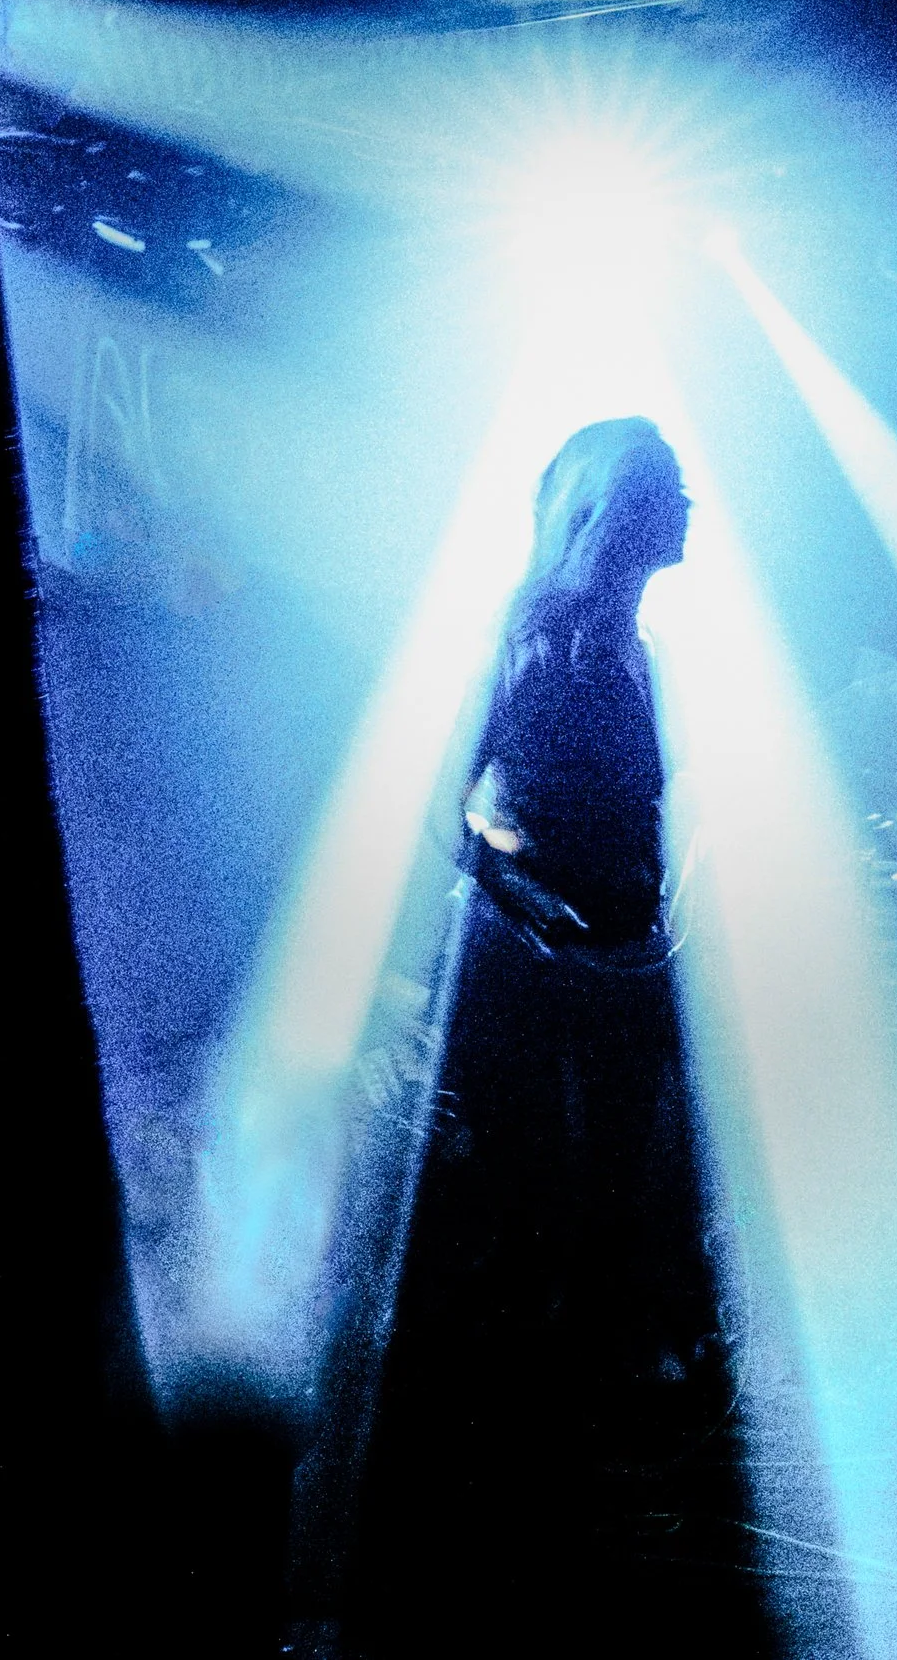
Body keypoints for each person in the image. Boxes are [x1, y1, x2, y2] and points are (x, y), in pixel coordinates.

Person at [331, 419, 772, 1657]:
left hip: (627, 968)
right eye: (672, 491)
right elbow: (438, 807)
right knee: (521, 1216)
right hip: (525, 970)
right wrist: (526, 906)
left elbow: (671, 803)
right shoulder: (517, 640)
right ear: (618, 509)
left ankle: (560, 1479)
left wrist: (674, 905)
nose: (692, 508)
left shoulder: (647, 657)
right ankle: (478, 1492)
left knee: (612, 1221)